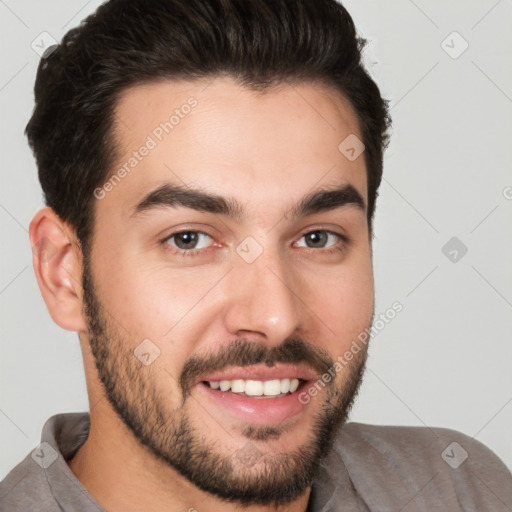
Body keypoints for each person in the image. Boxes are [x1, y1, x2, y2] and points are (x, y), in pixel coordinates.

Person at [1, 0, 510, 510]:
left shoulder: (460, 488)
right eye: (189, 239)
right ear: (64, 272)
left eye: (317, 238)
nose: (277, 317)